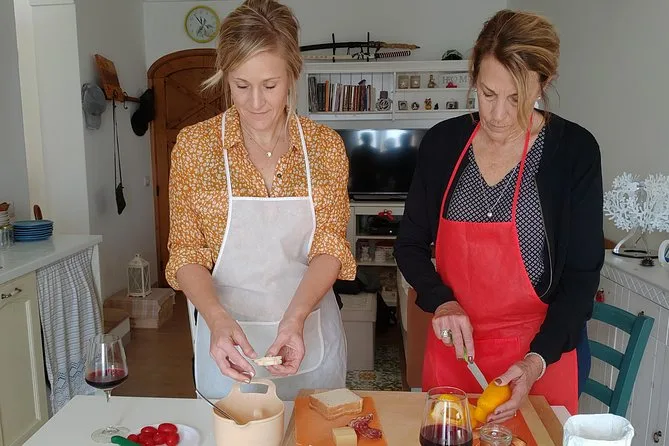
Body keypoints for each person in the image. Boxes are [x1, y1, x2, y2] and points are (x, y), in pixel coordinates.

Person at [394, 9, 604, 421]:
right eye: (488, 94)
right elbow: (410, 245)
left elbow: (581, 277)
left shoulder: (574, 152)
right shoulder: (442, 144)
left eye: (517, 99)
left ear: (545, 83)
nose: (498, 115)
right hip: (455, 352)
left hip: (540, 357)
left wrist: (534, 362)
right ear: (473, 77)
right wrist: (441, 302)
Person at [165, 0, 356, 401]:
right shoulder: (195, 147)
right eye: (241, 85)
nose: (255, 103)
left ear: (292, 74)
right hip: (228, 345)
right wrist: (216, 318)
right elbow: (185, 252)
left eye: (270, 85)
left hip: (308, 334)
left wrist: (295, 318)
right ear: (224, 75)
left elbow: (330, 247)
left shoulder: (324, 147)